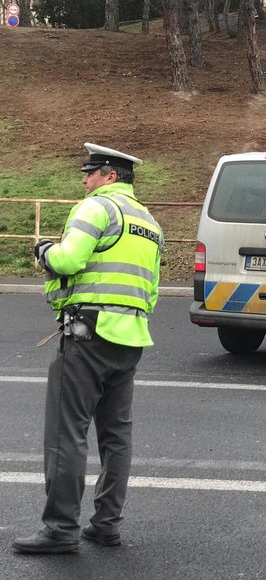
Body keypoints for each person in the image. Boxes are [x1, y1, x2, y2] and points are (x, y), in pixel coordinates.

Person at [13, 143, 163, 554]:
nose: (85, 180)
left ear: (111, 176)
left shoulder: (98, 208)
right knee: (116, 437)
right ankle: (106, 525)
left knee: (66, 433)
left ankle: (60, 529)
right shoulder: (149, 222)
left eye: (91, 172)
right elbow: (151, 290)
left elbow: (69, 259)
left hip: (88, 333)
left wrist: (45, 251)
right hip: (130, 337)